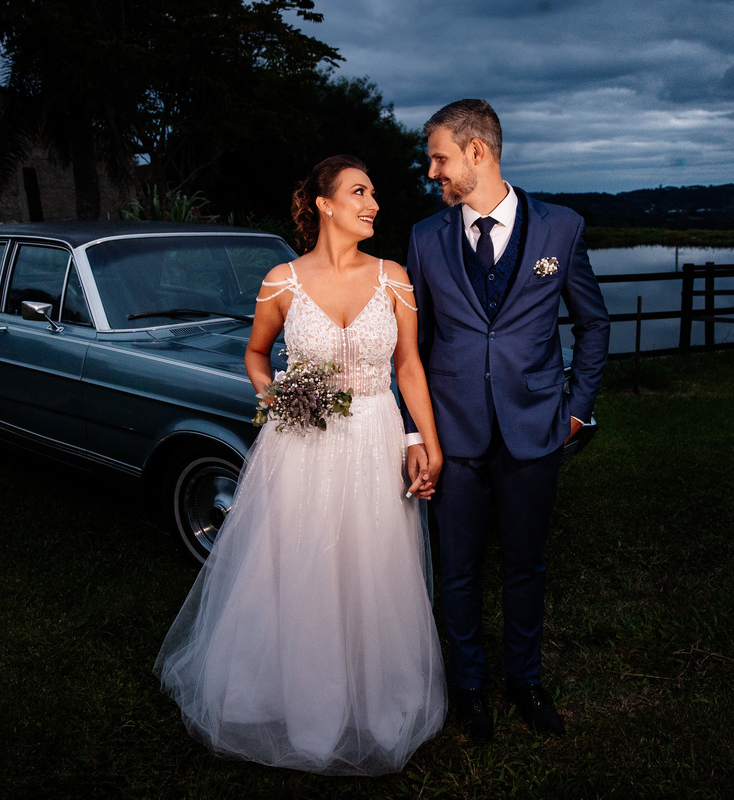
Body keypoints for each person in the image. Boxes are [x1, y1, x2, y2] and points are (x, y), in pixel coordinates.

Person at [154, 155, 447, 776]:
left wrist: (423, 438)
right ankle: (299, 703)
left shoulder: (393, 277)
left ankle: (373, 704)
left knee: (371, 564)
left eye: (373, 194)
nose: (373, 204)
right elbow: (257, 354)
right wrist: (275, 395)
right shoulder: (281, 282)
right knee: (301, 562)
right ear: (324, 203)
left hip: (374, 433)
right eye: (360, 192)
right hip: (301, 444)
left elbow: (409, 368)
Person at [402, 100, 610, 740]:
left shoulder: (561, 228)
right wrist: (417, 433)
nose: (432, 171)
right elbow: (411, 345)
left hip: (536, 429)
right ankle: (469, 689)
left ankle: (525, 682)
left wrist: (575, 413)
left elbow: (593, 324)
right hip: (452, 435)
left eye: (439, 157)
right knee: (457, 569)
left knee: (526, 566)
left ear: (476, 152)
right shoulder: (424, 238)